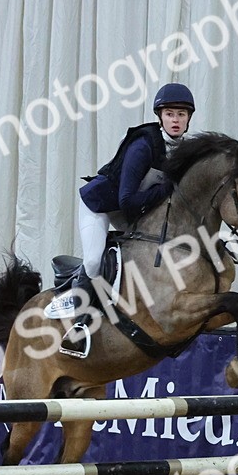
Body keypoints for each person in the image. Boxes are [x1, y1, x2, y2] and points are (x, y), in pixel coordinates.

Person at [60, 82, 196, 357]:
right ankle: (78, 325)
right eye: (170, 114)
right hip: (101, 205)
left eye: (181, 114)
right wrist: (167, 187)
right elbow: (126, 201)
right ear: (160, 116)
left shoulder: (185, 150)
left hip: (135, 209)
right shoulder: (144, 145)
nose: (176, 120)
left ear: (188, 118)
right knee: (94, 260)